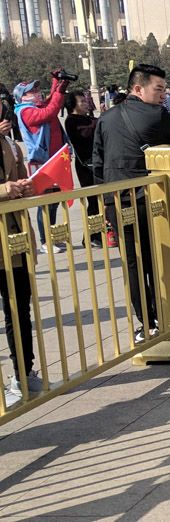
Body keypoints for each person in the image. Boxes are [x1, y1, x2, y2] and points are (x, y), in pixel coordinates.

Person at [92, 64, 170, 342]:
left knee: (133, 264)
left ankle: (146, 324)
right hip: (150, 201)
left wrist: (102, 200)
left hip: (116, 201)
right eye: (158, 89)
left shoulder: (107, 117)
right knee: (156, 259)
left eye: (164, 89)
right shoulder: (157, 115)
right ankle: (167, 317)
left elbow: (97, 164)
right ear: (138, 88)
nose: (164, 95)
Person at [1, 122, 41, 408]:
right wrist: (4, 189)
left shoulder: (11, 144)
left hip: (13, 240)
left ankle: (24, 373)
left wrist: (26, 187)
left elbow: (21, 179)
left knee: (18, 309)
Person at [13, 74, 71, 253]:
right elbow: (50, 111)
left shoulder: (34, 106)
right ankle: (45, 241)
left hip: (52, 159)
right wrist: (59, 91)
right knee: (45, 203)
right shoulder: (25, 111)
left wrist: (57, 82)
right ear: (22, 96)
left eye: (37, 89)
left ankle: (51, 237)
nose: (37, 93)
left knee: (53, 201)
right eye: (32, 91)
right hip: (42, 161)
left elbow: (49, 102)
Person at [62, 90, 101, 245]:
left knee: (100, 199)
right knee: (93, 200)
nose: (86, 104)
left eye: (86, 101)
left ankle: (99, 233)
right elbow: (86, 132)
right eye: (82, 102)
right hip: (86, 166)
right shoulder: (72, 120)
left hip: (96, 163)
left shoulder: (88, 118)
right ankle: (91, 236)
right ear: (73, 105)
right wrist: (102, 119)